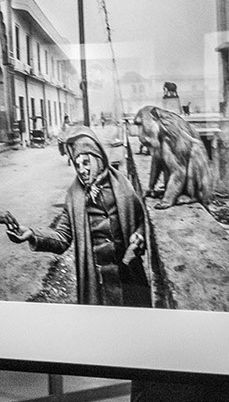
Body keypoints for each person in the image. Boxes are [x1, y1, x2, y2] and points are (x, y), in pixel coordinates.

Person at [3, 126, 150, 307]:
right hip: (99, 280)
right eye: (77, 164)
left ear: (97, 159)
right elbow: (62, 238)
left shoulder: (122, 185)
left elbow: (141, 220)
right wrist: (32, 235)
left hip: (129, 275)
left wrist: (139, 235)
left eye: (86, 163)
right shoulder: (74, 196)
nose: (81, 170)